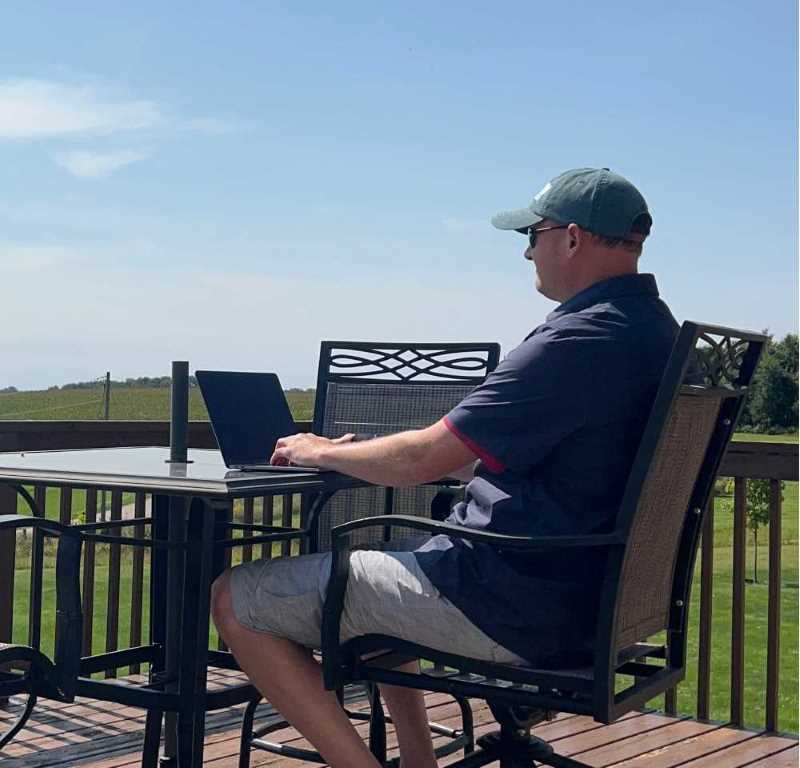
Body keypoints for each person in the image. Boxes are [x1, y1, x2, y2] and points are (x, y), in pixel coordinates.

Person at [211, 167, 679, 768]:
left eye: (531, 235)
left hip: (511, 603)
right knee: (383, 570)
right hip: (579, 601)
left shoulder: (578, 340)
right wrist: (370, 450)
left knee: (234, 597)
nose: (526, 252)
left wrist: (318, 451)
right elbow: (542, 465)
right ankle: (417, 760)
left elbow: (422, 458)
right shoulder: (651, 332)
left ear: (570, 238)